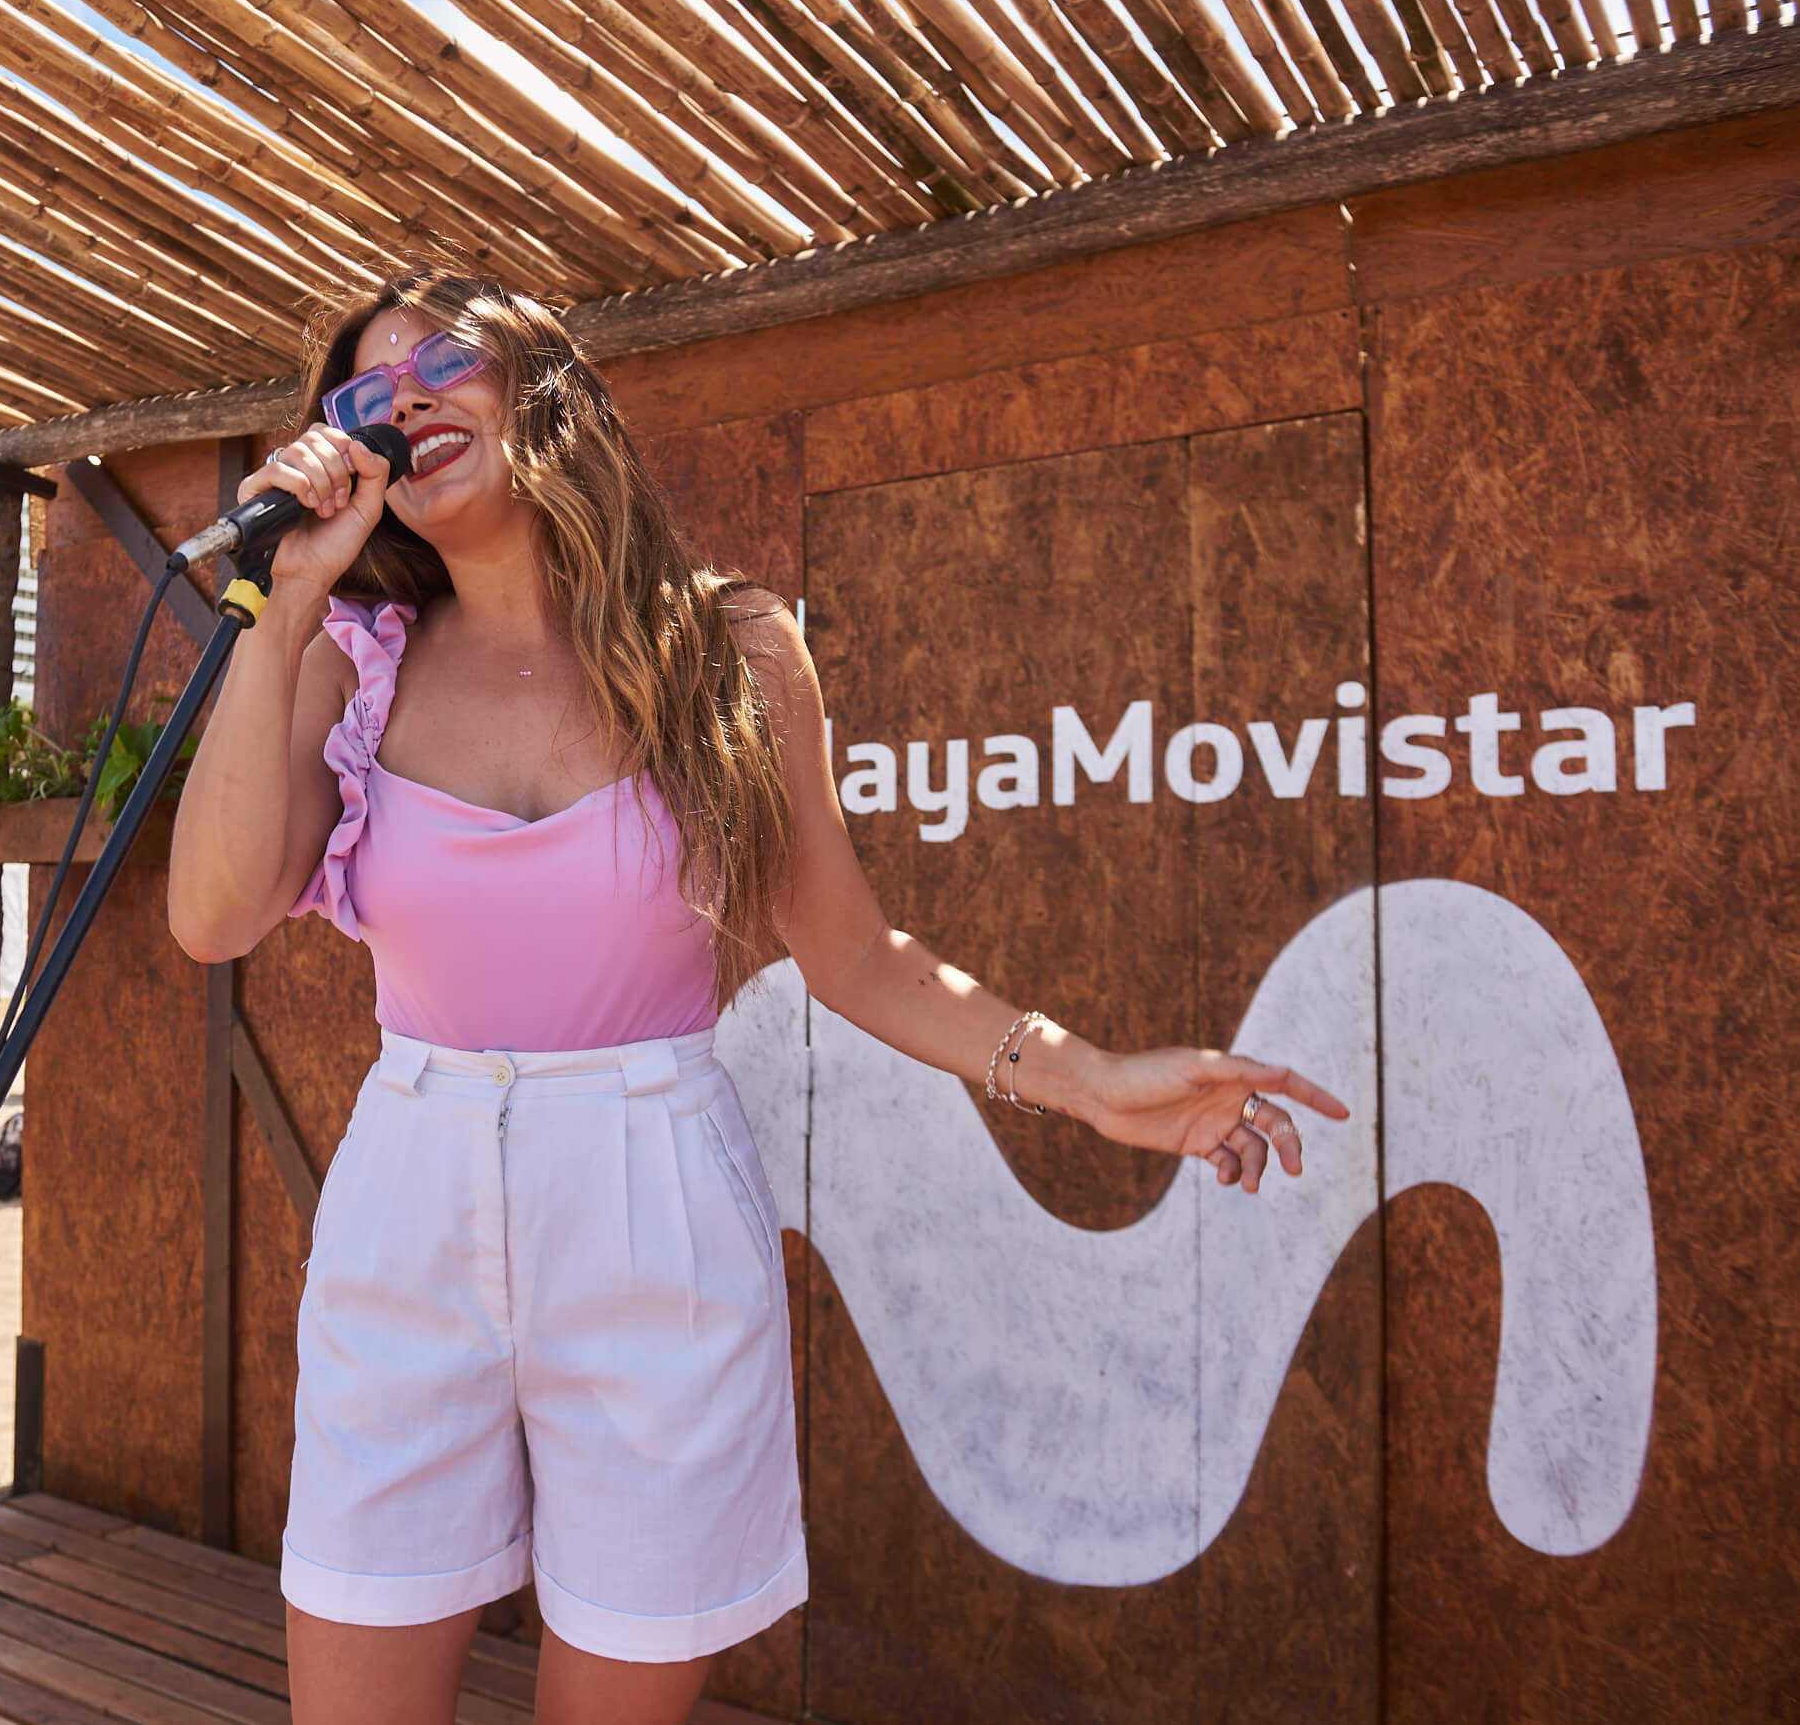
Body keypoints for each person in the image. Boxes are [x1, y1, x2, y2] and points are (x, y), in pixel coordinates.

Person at [165, 272, 1351, 1725]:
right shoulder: (343, 661)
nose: (400, 398)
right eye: (362, 394)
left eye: (441, 362)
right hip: (409, 1191)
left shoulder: (726, 649)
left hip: (650, 1187)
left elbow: (851, 954)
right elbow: (213, 915)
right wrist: (282, 609)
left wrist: (1086, 1078)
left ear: (540, 386)